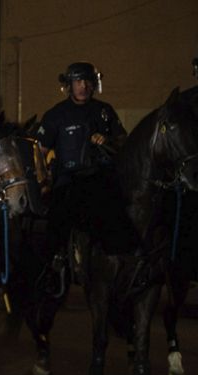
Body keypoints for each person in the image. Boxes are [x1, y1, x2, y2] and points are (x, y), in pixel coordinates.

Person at [35, 61, 132, 254]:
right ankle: (52, 266)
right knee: (56, 225)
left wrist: (108, 140)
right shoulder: (56, 115)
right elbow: (38, 152)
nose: (83, 86)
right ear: (69, 85)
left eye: (87, 81)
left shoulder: (105, 111)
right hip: (68, 182)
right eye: (78, 81)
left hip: (102, 178)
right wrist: (41, 180)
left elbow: (123, 140)